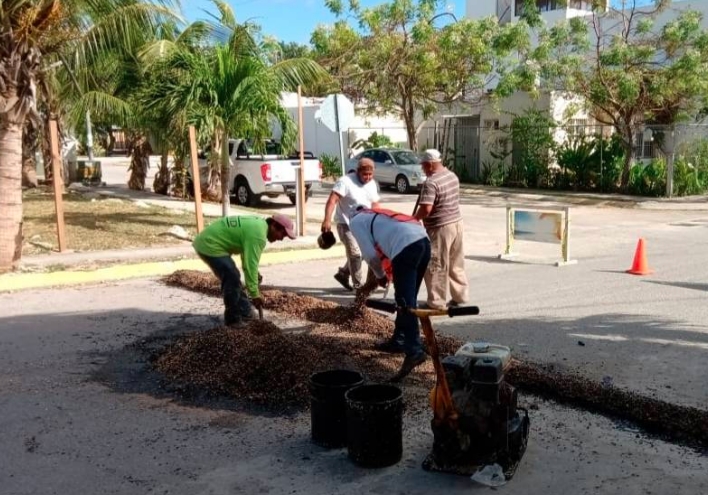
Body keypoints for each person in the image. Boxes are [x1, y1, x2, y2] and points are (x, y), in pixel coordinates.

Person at [349, 206, 431, 381]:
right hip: (423, 242)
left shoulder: (355, 221)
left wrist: (379, 276)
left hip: (406, 247)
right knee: (408, 299)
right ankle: (399, 340)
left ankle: (414, 350)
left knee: (405, 303)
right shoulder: (375, 214)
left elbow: (370, 255)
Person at [192, 214, 296, 326]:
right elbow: (250, 265)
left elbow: (247, 258)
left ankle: (245, 311)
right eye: (282, 234)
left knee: (234, 279)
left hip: (207, 241)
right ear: (274, 225)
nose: (281, 238)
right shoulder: (258, 235)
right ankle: (232, 319)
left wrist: (255, 274)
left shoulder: (258, 226)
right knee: (232, 276)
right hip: (209, 244)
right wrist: (255, 294)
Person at [414, 149, 469, 310]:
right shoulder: (452, 176)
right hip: (457, 223)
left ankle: (437, 302)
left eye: (423, 166)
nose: (422, 169)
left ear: (430, 165)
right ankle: (460, 297)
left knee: (436, 264)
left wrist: (414, 219)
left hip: (440, 228)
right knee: (455, 262)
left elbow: (426, 209)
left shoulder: (431, 183)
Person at [321, 157, 380, 291]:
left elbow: (375, 204)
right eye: (365, 174)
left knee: (365, 252)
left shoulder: (372, 184)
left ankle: (343, 273)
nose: (368, 177)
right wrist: (327, 219)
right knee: (355, 253)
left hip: (364, 224)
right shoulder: (345, 181)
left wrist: (379, 221)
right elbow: (332, 200)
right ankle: (359, 287)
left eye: (371, 174)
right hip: (345, 223)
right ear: (358, 171)